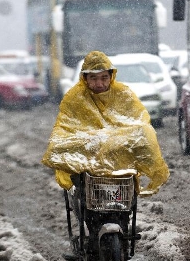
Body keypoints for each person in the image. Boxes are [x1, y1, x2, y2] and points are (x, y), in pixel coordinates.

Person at [41, 50, 170, 194]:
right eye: (93, 78)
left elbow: (138, 121)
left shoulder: (123, 94)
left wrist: (118, 137)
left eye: (104, 78)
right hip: (87, 153)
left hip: (118, 157)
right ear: (85, 78)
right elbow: (65, 127)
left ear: (111, 77)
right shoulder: (75, 98)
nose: (99, 83)